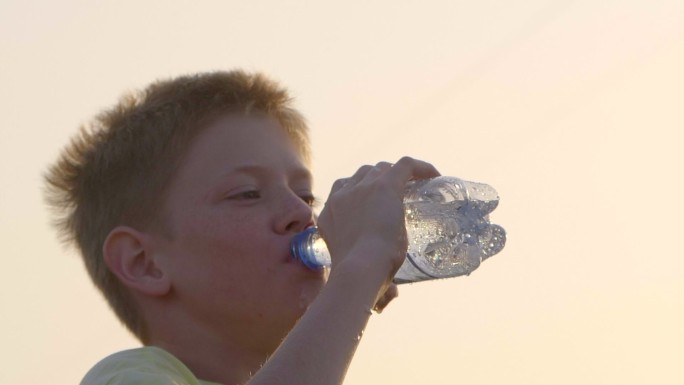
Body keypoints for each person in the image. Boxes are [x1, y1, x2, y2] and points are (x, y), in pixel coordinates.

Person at [44, 70, 440, 385]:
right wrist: (357, 271)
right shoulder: (127, 377)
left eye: (305, 196)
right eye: (248, 193)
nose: (300, 214)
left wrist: (351, 294)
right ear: (145, 262)